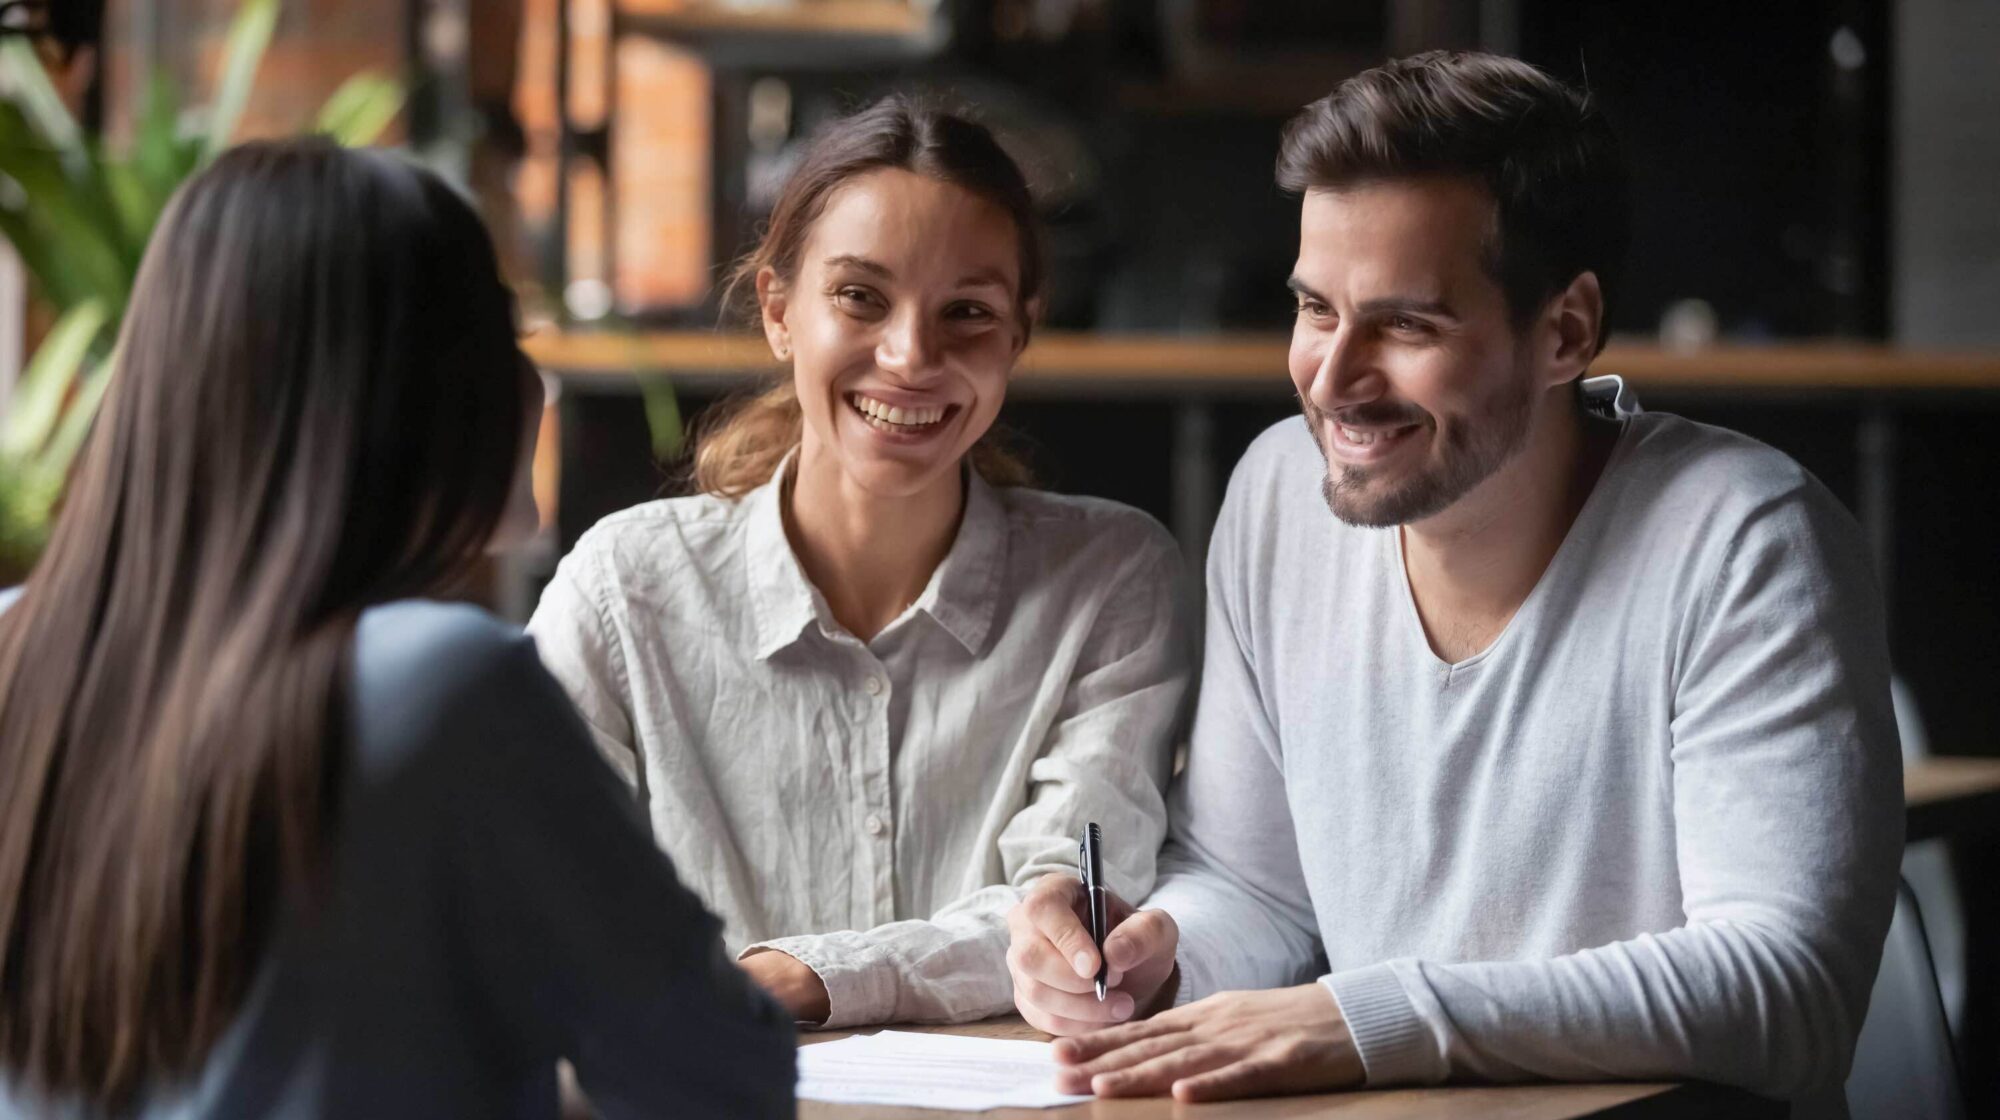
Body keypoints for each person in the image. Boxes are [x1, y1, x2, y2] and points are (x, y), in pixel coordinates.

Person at [1005, 51, 1901, 1116]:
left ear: (1564, 329)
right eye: (1314, 310)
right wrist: (1161, 957)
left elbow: (1783, 990)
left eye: (1404, 325)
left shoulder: (1745, 540)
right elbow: (1254, 887)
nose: (1331, 380)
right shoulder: (1278, 496)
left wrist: (1371, 1017)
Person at [0, 139, 793, 1119]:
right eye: (502, 337)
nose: (532, 386)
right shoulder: (442, 686)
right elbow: (715, 1078)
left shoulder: (16, 653)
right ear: (406, 392)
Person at [527, 95, 1192, 1028]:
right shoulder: (622, 590)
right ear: (778, 311)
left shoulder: (1111, 578)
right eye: (860, 297)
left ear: (1018, 336)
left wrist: (805, 978)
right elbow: (537, 904)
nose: (912, 355)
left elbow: (1062, 924)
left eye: (967, 311)